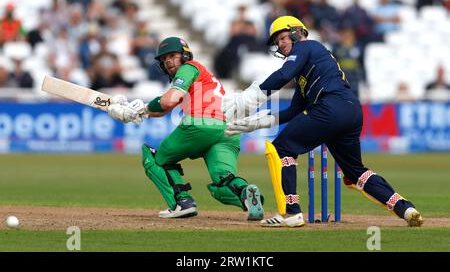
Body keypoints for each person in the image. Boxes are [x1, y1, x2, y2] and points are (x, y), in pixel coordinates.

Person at [222, 16, 423, 227]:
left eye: (282, 37)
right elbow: (293, 110)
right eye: (277, 42)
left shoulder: (307, 46)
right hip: (351, 111)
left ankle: (291, 213)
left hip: (330, 106)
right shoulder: (306, 70)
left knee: (282, 148)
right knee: (355, 173)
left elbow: (283, 75)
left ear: (296, 32)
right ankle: (405, 208)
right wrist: (258, 122)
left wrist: (254, 96)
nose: (280, 44)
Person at [106, 37, 264, 220]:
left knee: (156, 160)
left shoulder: (189, 68)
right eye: (164, 59)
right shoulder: (200, 79)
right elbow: (164, 109)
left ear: (185, 55)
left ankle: (182, 203)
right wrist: (133, 113)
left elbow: (167, 100)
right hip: (228, 133)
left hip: (202, 125)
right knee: (223, 181)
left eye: (172, 56)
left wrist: (142, 108)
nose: (168, 61)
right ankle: (246, 194)